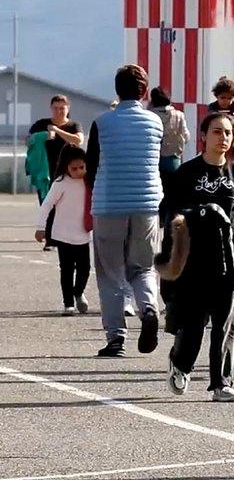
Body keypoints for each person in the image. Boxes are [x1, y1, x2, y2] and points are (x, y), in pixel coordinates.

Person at [162, 113, 234, 402]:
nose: (223, 137)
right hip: (194, 256)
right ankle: (180, 364)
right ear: (204, 135)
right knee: (193, 322)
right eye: (217, 131)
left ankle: (222, 382)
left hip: (232, 254)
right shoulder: (186, 173)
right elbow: (170, 215)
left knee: (226, 321)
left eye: (228, 132)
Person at [85, 65, 163, 358]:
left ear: (117, 90)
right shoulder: (155, 122)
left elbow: (92, 165)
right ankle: (148, 309)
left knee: (110, 272)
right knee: (142, 267)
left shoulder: (102, 122)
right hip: (147, 203)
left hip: (109, 204)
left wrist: (98, 189)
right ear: (144, 91)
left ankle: (116, 338)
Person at [34, 146, 91, 315]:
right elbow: (47, 205)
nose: (79, 171)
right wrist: (40, 228)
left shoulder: (89, 182)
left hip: (83, 235)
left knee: (85, 269)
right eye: (74, 168)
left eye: (82, 167)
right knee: (66, 270)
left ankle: (78, 292)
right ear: (65, 166)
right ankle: (68, 303)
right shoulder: (60, 184)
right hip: (63, 235)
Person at [29, 94, 85, 251]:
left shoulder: (74, 125)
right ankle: (50, 239)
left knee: (66, 206)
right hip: (46, 173)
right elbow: (28, 140)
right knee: (47, 205)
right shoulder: (42, 124)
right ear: (51, 108)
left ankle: (66, 237)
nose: (59, 111)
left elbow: (78, 140)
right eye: (56, 108)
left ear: (68, 109)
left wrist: (56, 130)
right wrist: (42, 135)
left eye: (62, 108)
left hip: (69, 173)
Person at [149, 87, 189, 199]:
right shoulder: (179, 115)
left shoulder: (149, 115)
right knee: (172, 196)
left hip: (153, 161)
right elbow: (186, 136)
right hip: (173, 160)